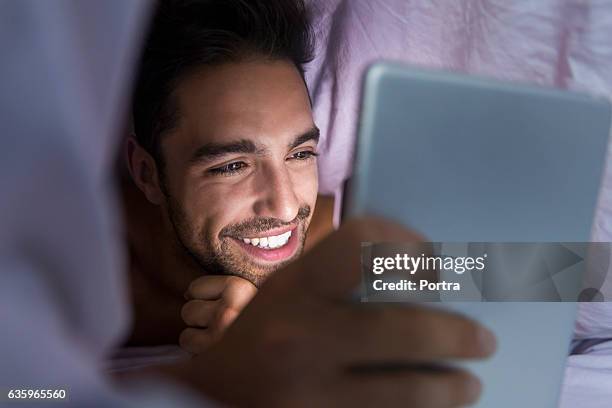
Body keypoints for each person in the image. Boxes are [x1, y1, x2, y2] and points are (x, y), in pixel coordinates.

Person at [0, 0, 496, 406]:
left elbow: (551, 275)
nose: (283, 205)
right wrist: (226, 374)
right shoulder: (78, 270)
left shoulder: (331, 248)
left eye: (300, 153)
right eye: (231, 165)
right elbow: (22, 392)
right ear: (147, 172)